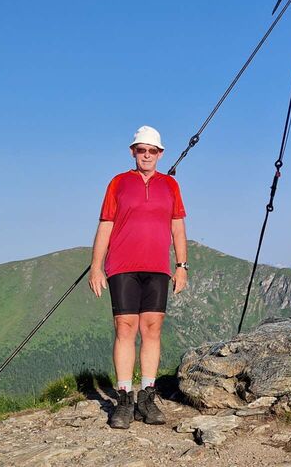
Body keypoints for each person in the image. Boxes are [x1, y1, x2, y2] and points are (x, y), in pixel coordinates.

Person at [89, 125, 189, 429]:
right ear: (133, 152)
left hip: (157, 267)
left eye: (152, 150)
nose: (146, 155)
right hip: (122, 266)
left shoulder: (170, 185)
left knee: (152, 328)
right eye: (141, 150)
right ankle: (123, 399)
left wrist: (182, 266)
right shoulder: (118, 183)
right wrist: (96, 266)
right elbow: (106, 224)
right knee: (125, 327)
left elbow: (178, 226)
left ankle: (146, 396)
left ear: (160, 154)